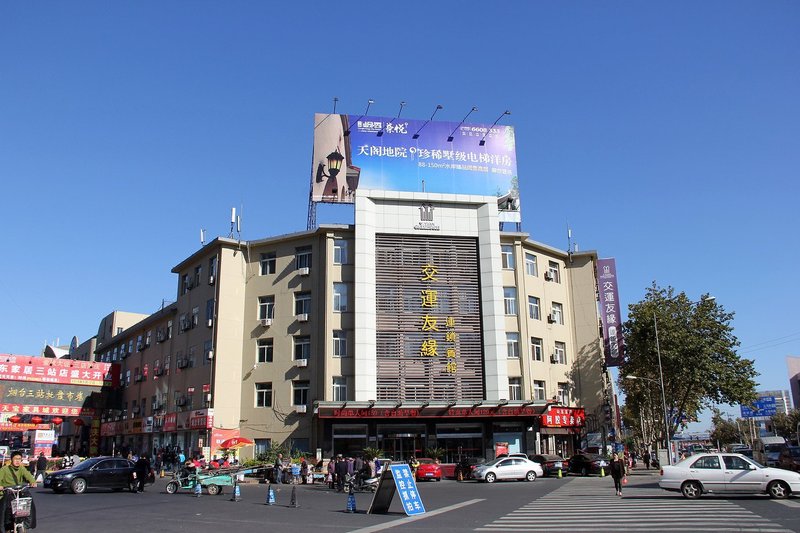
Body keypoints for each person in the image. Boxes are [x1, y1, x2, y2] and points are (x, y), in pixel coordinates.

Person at [0, 450, 37, 530]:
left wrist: (33, 482)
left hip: (18, 493)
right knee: (3, 512)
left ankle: (27, 524)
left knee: (29, 502)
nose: (17, 461)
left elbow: (28, 476)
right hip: (7, 493)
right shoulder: (4, 469)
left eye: (19, 459)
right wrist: (1, 486)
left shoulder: (22, 469)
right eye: (15, 459)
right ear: (11, 460)